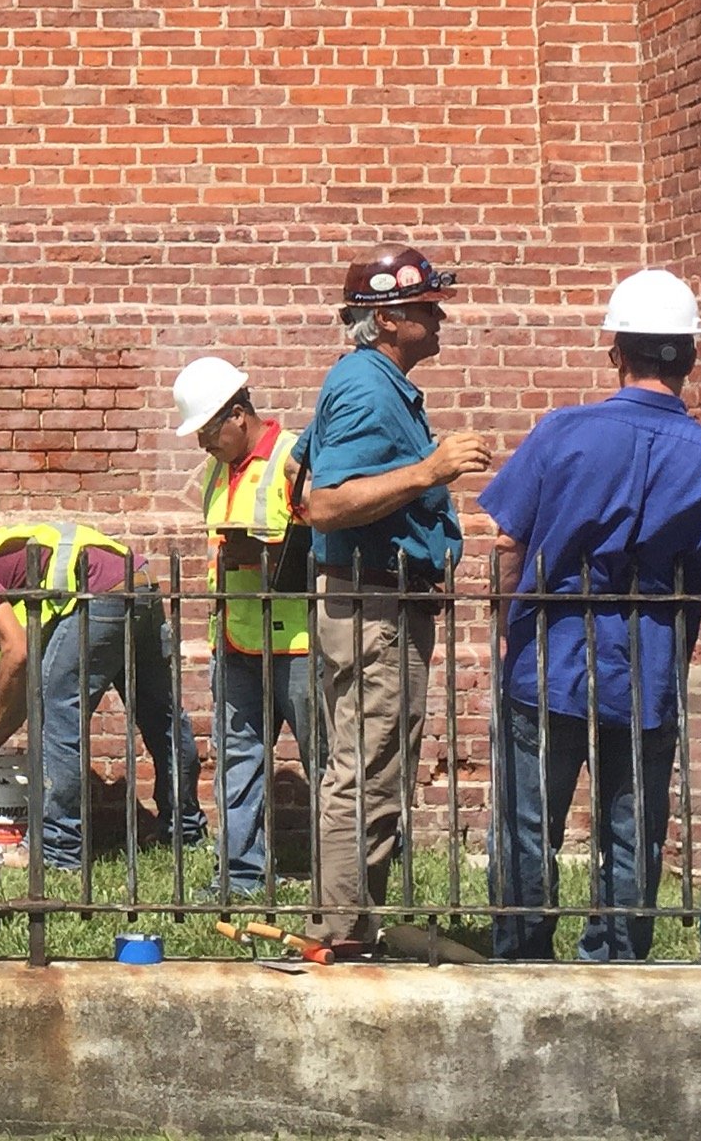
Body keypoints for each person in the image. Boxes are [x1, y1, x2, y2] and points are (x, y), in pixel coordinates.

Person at [481, 269, 701, 960]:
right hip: (646, 667)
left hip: (546, 656)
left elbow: (508, 543)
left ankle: (520, 951)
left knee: (528, 820)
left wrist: (508, 630)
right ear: (691, 357)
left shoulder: (563, 433)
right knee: (632, 823)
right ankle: (614, 955)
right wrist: (695, 568)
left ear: (616, 349)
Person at [296, 245, 491, 948]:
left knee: (374, 764)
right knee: (367, 769)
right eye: (425, 307)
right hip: (373, 601)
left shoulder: (374, 382)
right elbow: (325, 503)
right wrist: (428, 470)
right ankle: (341, 931)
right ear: (384, 320)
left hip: (382, 600)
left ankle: (352, 922)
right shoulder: (367, 386)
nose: (438, 316)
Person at [0, 523, 205, 872]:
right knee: (158, 714)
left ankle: (58, 847)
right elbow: (23, 678)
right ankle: (184, 829)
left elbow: (18, 654)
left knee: (59, 711)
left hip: (101, 593)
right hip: (138, 584)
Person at [173, 355, 313, 901]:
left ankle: (345, 878)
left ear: (237, 415)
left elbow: (323, 540)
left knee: (326, 763)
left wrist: (260, 554)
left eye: (207, 430)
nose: (202, 443)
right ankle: (241, 877)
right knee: (238, 762)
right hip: (236, 641)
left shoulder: (292, 457)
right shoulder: (219, 469)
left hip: (300, 644)